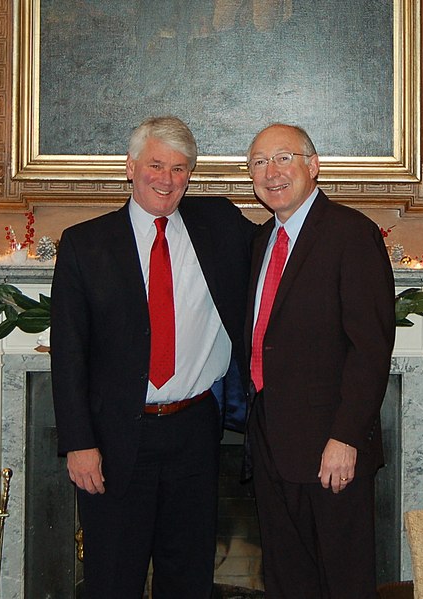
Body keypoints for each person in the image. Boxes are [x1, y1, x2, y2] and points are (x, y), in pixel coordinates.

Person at [50, 116, 255, 599]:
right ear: (130, 167)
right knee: (112, 578)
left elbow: (280, 249)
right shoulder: (85, 243)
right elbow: (69, 354)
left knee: (187, 576)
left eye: (180, 169)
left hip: (194, 431)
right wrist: (78, 443)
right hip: (115, 438)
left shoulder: (220, 225)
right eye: (156, 165)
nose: (166, 179)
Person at [244, 123, 396, 598]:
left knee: (343, 582)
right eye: (258, 162)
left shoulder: (352, 234)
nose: (271, 172)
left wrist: (346, 437)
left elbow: (370, 349)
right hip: (271, 444)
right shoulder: (263, 241)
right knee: (288, 581)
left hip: (332, 451)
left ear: (313, 165)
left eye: (283, 158)